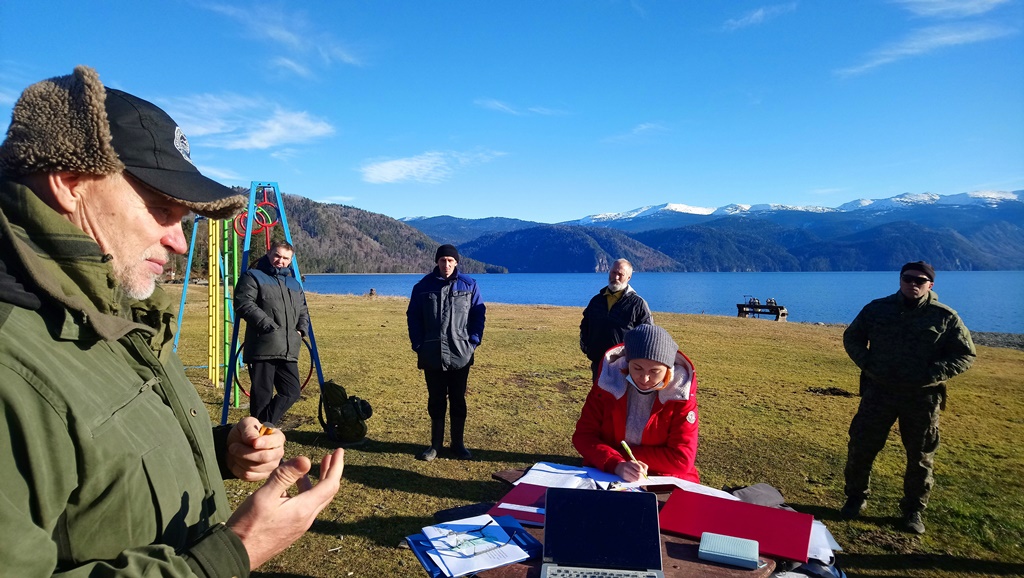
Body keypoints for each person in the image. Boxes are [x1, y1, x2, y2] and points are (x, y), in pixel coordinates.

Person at [0, 65, 343, 576]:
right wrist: (235, 552)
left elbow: (103, 467)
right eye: (162, 209)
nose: (180, 242)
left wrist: (220, 449)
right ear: (71, 184)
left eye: (183, 219)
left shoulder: (116, 308)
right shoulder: (13, 358)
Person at [841, 261, 975, 535]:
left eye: (920, 280)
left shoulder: (944, 317)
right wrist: (868, 363)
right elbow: (852, 337)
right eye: (907, 278)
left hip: (921, 398)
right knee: (861, 446)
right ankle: (855, 497)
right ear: (900, 280)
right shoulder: (877, 309)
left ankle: (913, 510)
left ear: (930, 285)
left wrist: (933, 373)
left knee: (920, 456)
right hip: (879, 392)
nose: (913, 284)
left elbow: (965, 354)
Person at [572, 324, 699, 483]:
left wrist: (619, 456)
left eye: (654, 371)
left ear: (668, 368)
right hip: (610, 474)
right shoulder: (606, 386)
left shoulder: (680, 396)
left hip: (663, 479)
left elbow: (682, 459)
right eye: (637, 368)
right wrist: (615, 464)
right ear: (627, 362)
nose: (644, 378)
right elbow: (584, 435)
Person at [406, 244, 486, 461]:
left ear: (456, 262)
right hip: (432, 354)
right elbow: (413, 317)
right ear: (437, 262)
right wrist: (418, 345)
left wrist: (473, 342)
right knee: (436, 399)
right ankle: (435, 445)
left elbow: (478, 315)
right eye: (443, 260)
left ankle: (458, 444)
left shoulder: (469, 286)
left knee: (458, 399)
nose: (446, 265)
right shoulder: (422, 287)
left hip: (461, 354)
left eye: (450, 261)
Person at [235, 240, 310, 426]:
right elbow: (244, 303)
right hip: (263, 346)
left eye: (285, 258)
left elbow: (303, 310)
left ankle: (261, 427)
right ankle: (259, 434)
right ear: (269, 253)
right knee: (262, 396)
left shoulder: (294, 284)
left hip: (288, 348)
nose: (280, 261)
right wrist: (268, 326)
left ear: (290, 261)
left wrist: (301, 330)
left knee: (292, 392)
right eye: (277, 255)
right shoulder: (252, 277)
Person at [580, 258, 653, 380]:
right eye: (613, 272)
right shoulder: (597, 300)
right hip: (598, 362)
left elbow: (647, 334)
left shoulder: (638, 304)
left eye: (621, 274)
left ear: (629, 278)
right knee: (599, 392)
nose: (616, 277)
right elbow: (585, 324)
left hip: (625, 365)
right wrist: (587, 348)